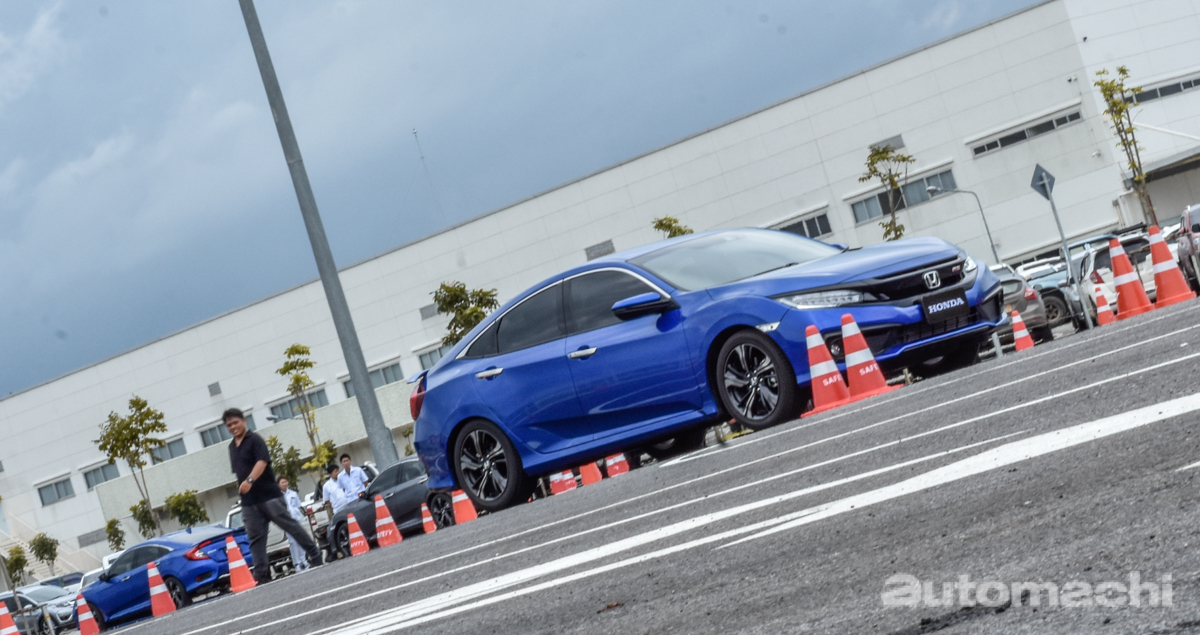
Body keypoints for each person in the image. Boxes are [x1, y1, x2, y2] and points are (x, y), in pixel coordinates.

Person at [225, 408, 322, 582]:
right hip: (249, 502)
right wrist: (243, 486)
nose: (233, 427)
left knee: (290, 526)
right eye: (229, 425)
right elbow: (239, 471)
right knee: (255, 538)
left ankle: (315, 554)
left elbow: (262, 462)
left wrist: (249, 480)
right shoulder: (232, 447)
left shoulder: (255, 440)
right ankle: (261, 574)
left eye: (235, 422)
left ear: (244, 421)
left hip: (269, 496)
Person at [278, 477, 311, 573]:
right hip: (287, 521)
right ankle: (297, 563)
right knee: (293, 542)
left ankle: (303, 560)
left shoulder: (293, 494)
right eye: (282, 482)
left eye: (285, 481)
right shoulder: (278, 496)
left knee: (301, 541)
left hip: (297, 520)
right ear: (278, 484)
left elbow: (298, 506)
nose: (284, 483)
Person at [321, 464, 351, 560]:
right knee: (343, 529)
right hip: (338, 509)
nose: (337, 473)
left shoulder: (343, 479)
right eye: (335, 471)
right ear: (330, 473)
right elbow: (326, 501)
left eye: (338, 471)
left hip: (349, 505)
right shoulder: (326, 486)